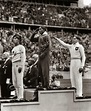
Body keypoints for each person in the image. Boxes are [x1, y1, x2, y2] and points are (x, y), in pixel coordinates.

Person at [11, 33, 26, 100]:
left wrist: (21, 65)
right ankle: (17, 94)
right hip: (13, 64)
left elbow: (23, 57)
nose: (15, 40)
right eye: (14, 38)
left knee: (19, 81)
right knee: (14, 81)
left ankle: (20, 96)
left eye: (16, 38)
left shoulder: (21, 47)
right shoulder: (14, 48)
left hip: (18, 63)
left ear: (19, 40)